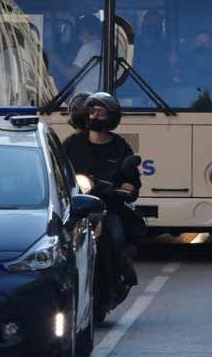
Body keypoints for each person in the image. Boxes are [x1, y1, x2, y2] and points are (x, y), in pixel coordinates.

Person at [63, 92, 141, 285]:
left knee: (117, 235)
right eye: (92, 111)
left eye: (101, 113)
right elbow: (58, 170)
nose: (95, 116)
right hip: (77, 208)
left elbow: (131, 179)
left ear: (112, 117)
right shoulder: (72, 143)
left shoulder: (120, 146)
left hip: (108, 206)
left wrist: (128, 187)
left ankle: (122, 269)